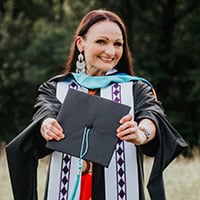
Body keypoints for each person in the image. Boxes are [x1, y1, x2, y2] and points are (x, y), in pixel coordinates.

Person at [6, 9, 187, 200]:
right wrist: (46, 125)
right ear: (80, 43)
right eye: (101, 41)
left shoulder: (135, 88)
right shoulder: (56, 87)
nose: (111, 51)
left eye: (118, 44)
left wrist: (142, 134)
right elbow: (45, 111)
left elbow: (152, 114)